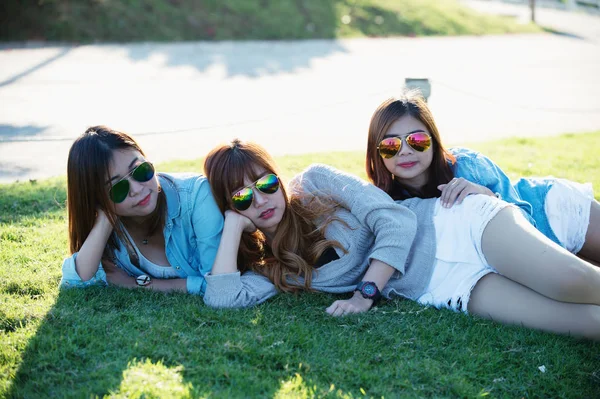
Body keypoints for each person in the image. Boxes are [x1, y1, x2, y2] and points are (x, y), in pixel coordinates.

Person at [203, 139, 600, 340]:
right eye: (241, 196)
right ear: (230, 207)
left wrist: (364, 295)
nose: (261, 198)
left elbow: (395, 219)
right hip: (443, 287)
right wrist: (235, 229)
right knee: (584, 323)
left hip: (458, 227)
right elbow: (221, 300)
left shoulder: (315, 182)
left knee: (573, 282)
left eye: (266, 182)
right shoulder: (275, 269)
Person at [365, 91, 599, 265]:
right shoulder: (385, 202)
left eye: (416, 140)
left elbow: (527, 222)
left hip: (553, 210)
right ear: (377, 153)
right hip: (539, 263)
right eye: (390, 145)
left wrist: (487, 197)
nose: (405, 151)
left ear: (434, 141)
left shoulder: (467, 165)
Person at [59, 126, 223, 295]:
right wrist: (105, 218)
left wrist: (134, 283)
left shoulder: (197, 197)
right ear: (96, 198)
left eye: (140, 170)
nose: (136, 189)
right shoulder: (108, 229)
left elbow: (220, 285)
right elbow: (75, 281)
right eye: (118, 188)